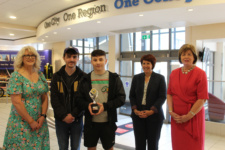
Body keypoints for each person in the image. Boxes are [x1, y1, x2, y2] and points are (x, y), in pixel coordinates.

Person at [77, 49, 125, 150]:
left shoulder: (114, 78)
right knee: (91, 147)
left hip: (108, 122)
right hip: (91, 123)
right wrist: (87, 106)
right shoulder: (85, 79)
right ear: (91, 61)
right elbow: (78, 99)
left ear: (105, 61)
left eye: (100, 59)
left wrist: (105, 106)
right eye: (95, 60)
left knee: (109, 148)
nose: (98, 62)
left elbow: (121, 98)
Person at [3, 46, 50, 149]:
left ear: (36, 58)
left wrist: (43, 116)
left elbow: (45, 97)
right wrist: (30, 121)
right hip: (22, 122)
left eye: (32, 55)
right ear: (21, 58)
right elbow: (16, 102)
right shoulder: (16, 76)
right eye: (27, 55)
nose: (30, 57)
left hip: (39, 121)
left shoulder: (40, 75)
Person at [167, 44, 209, 150]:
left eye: (189, 54)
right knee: (178, 145)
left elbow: (202, 98)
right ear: (180, 57)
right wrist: (171, 111)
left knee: (193, 146)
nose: (186, 57)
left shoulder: (201, 73)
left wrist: (188, 116)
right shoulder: (174, 73)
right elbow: (169, 93)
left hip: (193, 117)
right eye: (183, 54)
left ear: (194, 57)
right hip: (176, 118)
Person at [50, 47, 86, 150]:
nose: (71, 59)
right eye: (68, 56)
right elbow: (54, 99)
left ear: (78, 58)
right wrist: (64, 116)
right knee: (62, 147)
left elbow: (84, 99)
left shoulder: (83, 77)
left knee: (76, 147)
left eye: (74, 57)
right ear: (64, 58)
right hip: (61, 120)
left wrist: (74, 115)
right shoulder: (56, 77)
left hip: (77, 120)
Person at [129, 54, 166, 150]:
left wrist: (152, 111)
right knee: (139, 144)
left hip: (154, 117)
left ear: (152, 65)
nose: (145, 65)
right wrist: (135, 110)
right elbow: (132, 95)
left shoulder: (160, 78)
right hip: (138, 116)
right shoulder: (136, 78)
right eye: (143, 63)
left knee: (153, 144)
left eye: (148, 63)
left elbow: (162, 97)